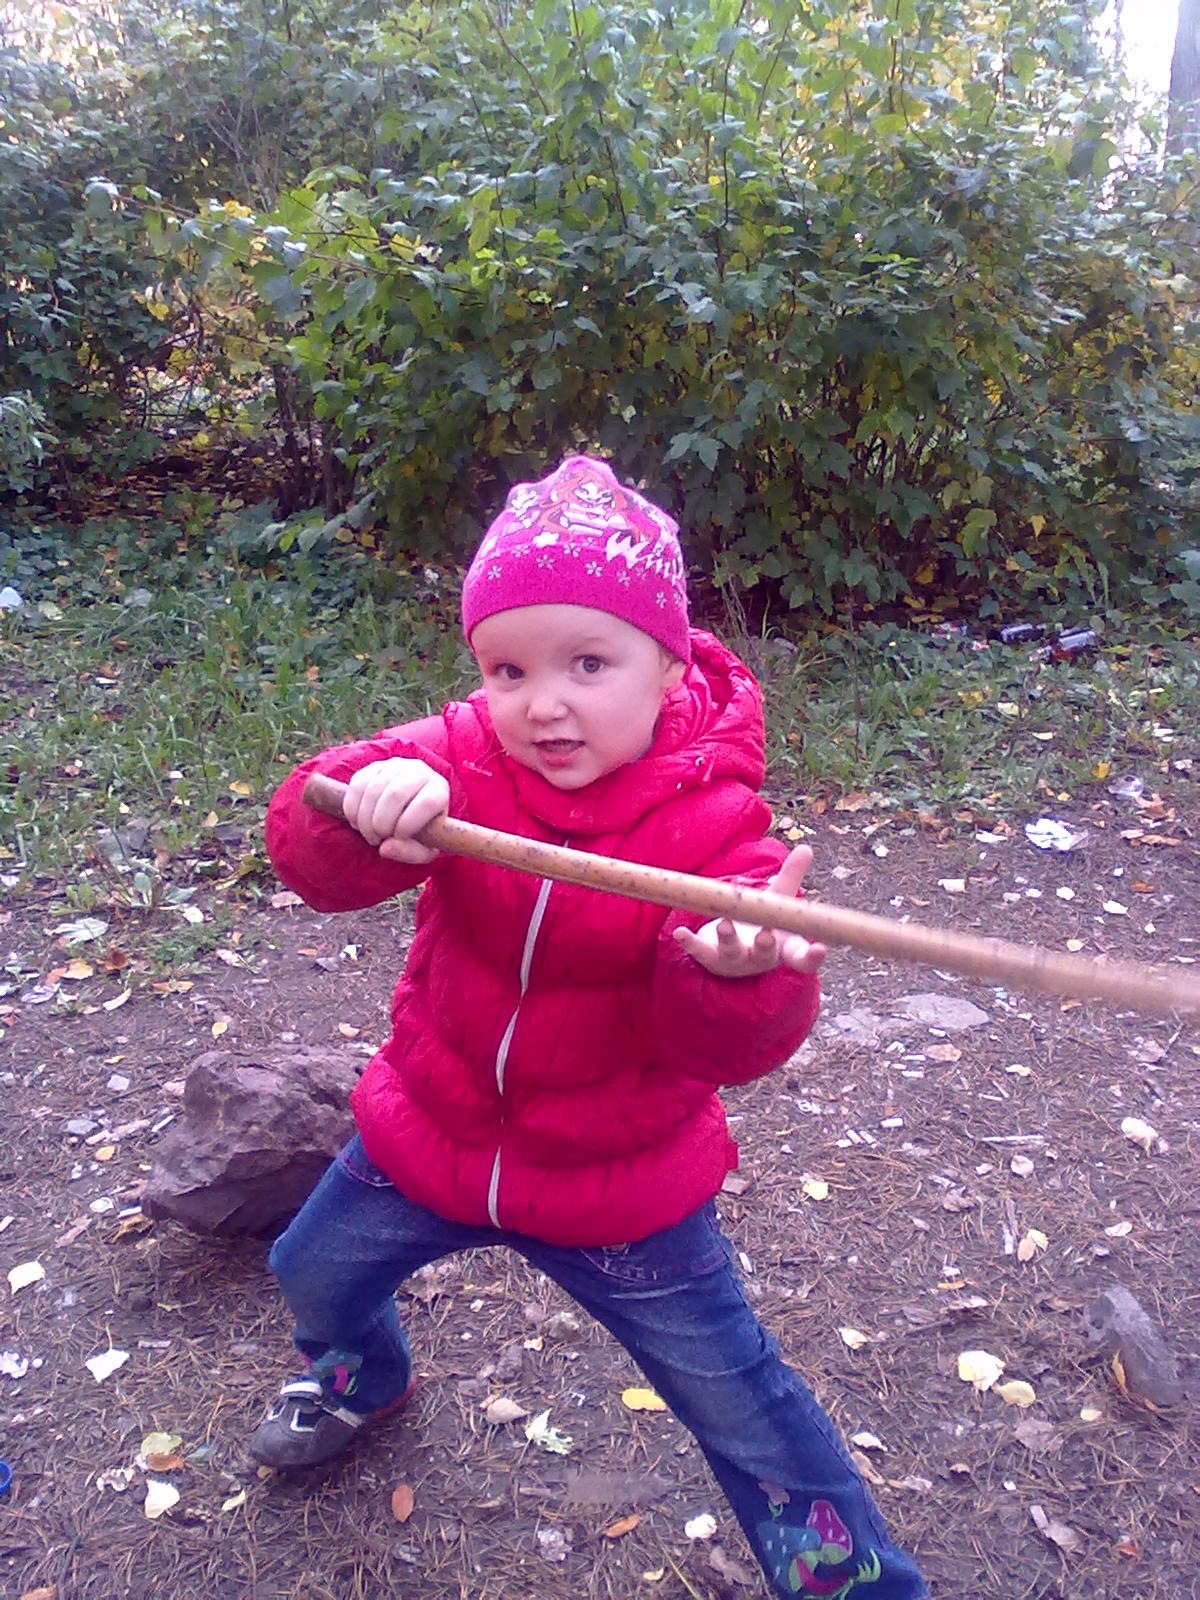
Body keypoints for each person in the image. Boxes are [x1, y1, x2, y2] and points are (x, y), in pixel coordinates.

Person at [254, 456, 928, 1599]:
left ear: (669, 665)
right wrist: (363, 809)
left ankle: (854, 1580)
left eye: (587, 663)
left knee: (739, 1399)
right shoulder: (459, 756)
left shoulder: (721, 830)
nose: (543, 703)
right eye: (508, 668)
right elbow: (308, 829)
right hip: (430, 1134)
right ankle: (364, 1373)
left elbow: (733, 1043)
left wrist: (735, 972)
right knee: (307, 1267)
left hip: (621, 1183)